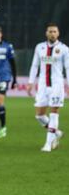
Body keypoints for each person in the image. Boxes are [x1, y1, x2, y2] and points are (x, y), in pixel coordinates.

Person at [27, 23, 67, 152]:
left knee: (54, 113)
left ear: (58, 33)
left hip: (57, 85)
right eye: (50, 31)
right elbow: (34, 66)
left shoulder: (64, 49)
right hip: (43, 85)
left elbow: (68, 67)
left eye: (55, 31)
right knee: (39, 115)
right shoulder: (40, 47)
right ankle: (56, 132)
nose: (52, 34)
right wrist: (30, 82)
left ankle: (48, 144)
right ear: (46, 33)